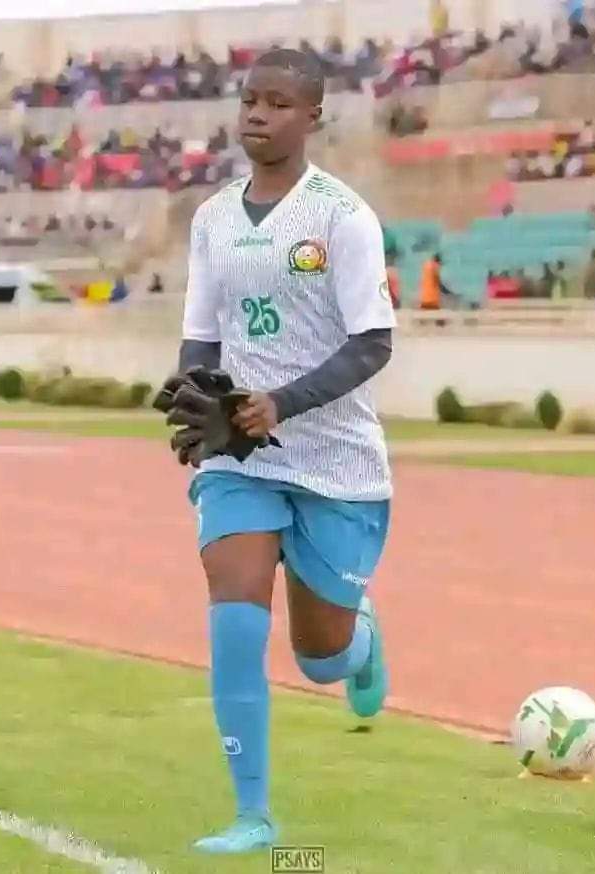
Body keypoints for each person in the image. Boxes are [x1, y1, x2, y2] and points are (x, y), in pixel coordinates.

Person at [165, 49, 394, 854]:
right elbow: (202, 332)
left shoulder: (343, 217)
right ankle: (254, 815)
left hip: (336, 461)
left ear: (313, 118)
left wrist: (284, 403)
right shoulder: (213, 219)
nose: (258, 114)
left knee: (319, 661)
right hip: (243, 457)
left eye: (278, 104)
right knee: (232, 608)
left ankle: (357, 639)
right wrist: (198, 397)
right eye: (250, 100)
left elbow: (373, 345)